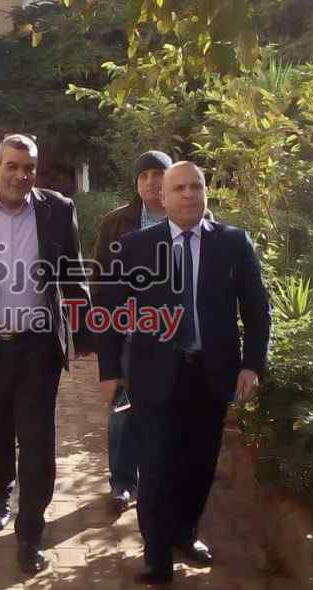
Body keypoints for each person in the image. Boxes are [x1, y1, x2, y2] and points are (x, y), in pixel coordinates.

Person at [95, 161, 271, 585]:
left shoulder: (233, 242)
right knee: (156, 465)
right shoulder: (136, 246)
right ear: (163, 197)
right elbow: (109, 312)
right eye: (179, 188)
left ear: (206, 193)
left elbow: (256, 308)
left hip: (212, 374)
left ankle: (185, 534)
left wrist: (252, 364)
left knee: (199, 466)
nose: (189, 194)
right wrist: (109, 371)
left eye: (196, 187)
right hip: (154, 375)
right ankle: (156, 556)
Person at [0, 134, 93, 573]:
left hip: (37, 349)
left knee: (38, 440)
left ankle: (31, 533)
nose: (20, 175)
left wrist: (88, 334)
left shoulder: (58, 209)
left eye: (28, 168)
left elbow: (72, 273)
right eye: (12, 166)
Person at [91, 150, 173, 513]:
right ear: (136, 183)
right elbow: (99, 281)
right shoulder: (116, 223)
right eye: (144, 176)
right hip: (129, 335)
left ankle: (161, 481)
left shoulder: (192, 216)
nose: (152, 182)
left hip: (175, 336)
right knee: (123, 410)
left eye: (158, 174)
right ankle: (123, 483)